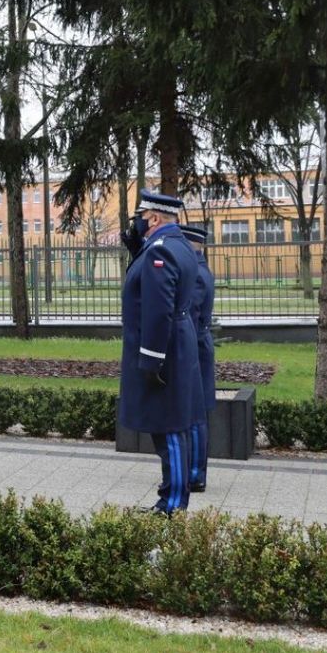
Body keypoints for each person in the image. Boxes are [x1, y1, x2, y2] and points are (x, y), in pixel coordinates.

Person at [117, 189, 205, 515]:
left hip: (163, 350)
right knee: (171, 427)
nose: (137, 223)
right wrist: (136, 250)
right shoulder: (176, 245)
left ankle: (172, 504)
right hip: (177, 346)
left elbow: (157, 309)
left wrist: (152, 359)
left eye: (141, 218)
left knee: (167, 430)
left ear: (153, 218)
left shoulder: (162, 252)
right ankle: (171, 498)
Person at [181, 224, 216, 493]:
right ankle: (193, 471)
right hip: (200, 343)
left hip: (195, 345)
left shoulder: (195, 276)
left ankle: (195, 473)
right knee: (195, 411)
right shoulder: (201, 269)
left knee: (195, 414)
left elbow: (189, 315)